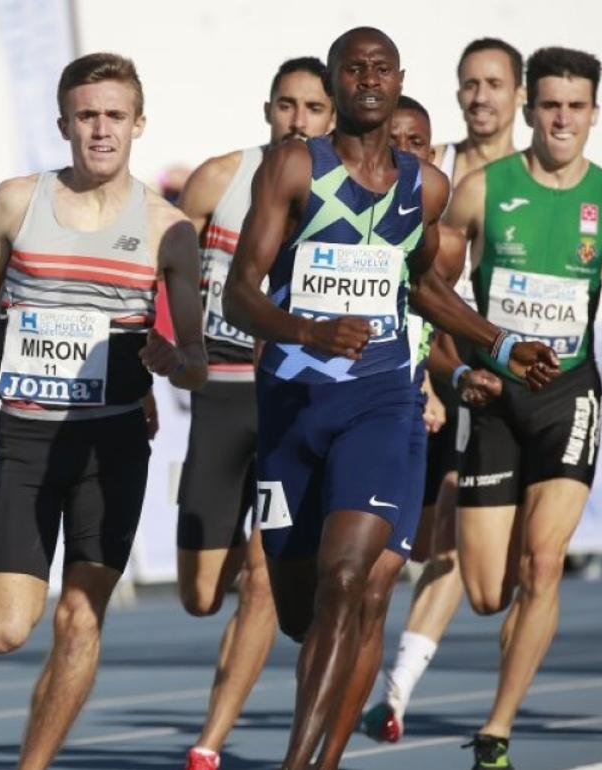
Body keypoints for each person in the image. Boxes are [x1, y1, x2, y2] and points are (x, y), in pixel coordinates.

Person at [223, 27, 559, 770]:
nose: (369, 78)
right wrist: (304, 330)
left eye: (382, 68)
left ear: (400, 78)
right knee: (303, 608)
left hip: (382, 402)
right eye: (354, 68)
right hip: (292, 405)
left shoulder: (423, 185)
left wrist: (498, 343)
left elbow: (424, 285)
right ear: (336, 83)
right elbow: (241, 293)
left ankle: (305, 762)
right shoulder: (293, 167)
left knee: (353, 579)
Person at [0, 53, 207, 770]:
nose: (100, 130)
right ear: (64, 123)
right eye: (87, 116)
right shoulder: (14, 202)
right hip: (27, 439)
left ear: (138, 124)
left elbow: (199, 358)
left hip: (112, 446)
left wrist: (169, 363)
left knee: (79, 616)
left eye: (114, 116)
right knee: (4, 630)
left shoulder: (167, 227)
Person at [444, 47, 602, 769]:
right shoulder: (481, 189)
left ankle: (497, 729)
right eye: (549, 104)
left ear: (593, 115)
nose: (561, 118)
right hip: (495, 396)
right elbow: (434, 291)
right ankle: (515, 639)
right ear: (529, 110)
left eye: (575, 106)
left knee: (544, 564)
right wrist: (465, 366)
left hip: (568, 394)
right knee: (491, 594)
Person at [363, 38, 529, 743]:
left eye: (494, 84)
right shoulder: (435, 172)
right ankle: (393, 688)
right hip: (459, 374)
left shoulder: (547, 175)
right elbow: (427, 296)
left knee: (519, 563)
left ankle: (501, 714)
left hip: (536, 374)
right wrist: (452, 373)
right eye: (470, 84)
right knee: (443, 543)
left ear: (517, 94)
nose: (481, 96)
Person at [176, 56, 334, 770]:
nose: (296, 120)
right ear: (267, 109)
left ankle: (210, 742)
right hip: (219, 399)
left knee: (264, 578)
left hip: (287, 401)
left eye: (311, 107)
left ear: (330, 118)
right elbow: (165, 262)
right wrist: (169, 341)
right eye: (285, 105)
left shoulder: (339, 191)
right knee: (201, 596)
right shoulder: (220, 176)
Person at [315, 94, 466, 770]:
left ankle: (327, 754)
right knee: (319, 600)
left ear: (431, 156)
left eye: (418, 145)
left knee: (370, 590)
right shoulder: (329, 215)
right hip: (322, 414)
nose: (405, 154)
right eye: (395, 141)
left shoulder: (441, 241)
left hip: (398, 424)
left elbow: (427, 327)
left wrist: (451, 382)